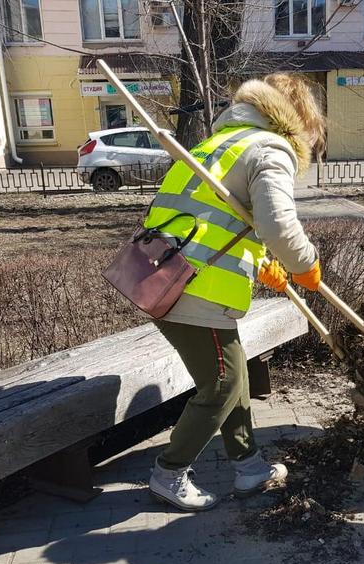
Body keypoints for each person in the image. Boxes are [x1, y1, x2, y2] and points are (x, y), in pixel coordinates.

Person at [142, 73, 326, 511]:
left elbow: (214, 218)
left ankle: (249, 467)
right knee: (222, 387)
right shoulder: (270, 148)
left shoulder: (219, 143)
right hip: (196, 289)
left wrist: (261, 265)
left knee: (233, 377)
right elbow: (278, 224)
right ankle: (169, 473)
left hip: (164, 275)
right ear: (297, 119)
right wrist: (306, 265)